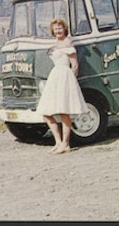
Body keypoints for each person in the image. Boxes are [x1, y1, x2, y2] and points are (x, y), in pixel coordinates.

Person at [35, 18, 88, 154]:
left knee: (64, 112)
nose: (58, 31)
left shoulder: (68, 42)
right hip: (55, 76)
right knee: (46, 112)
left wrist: (72, 81)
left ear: (65, 29)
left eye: (60, 28)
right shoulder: (55, 43)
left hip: (65, 75)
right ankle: (58, 142)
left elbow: (74, 64)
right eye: (55, 28)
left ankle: (66, 144)